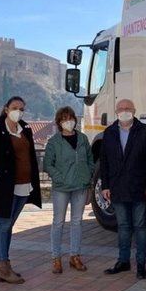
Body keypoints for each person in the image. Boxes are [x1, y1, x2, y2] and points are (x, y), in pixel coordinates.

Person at [0, 96, 42, 284]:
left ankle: (3, 265)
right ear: (6, 109)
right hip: (5, 188)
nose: (18, 111)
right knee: (3, 225)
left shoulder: (26, 131)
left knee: (8, 226)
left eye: (21, 108)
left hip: (24, 186)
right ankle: (3, 266)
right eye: (15, 108)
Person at [100, 99, 146, 279]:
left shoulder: (145, 131)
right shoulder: (109, 133)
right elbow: (104, 161)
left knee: (140, 227)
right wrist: (105, 185)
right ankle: (123, 261)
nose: (124, 111)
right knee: (123, 226)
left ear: (134, 110)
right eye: (121, 109)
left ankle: (141, 264)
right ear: (116, 112)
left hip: (139, 187)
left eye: (128, 109)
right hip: (117, 188)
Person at [44, 106, 95, 274]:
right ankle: (56, 258)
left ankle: (75, 256)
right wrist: (60, 178)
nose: (68, 121)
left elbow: (89, 160)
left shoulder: (83, 139)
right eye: (64, 119)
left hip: (80, 186)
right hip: (61, 188)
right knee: (58, 222)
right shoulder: (53, 142)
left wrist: (88, 178)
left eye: (70, 118)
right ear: (59, 122)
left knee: (77, 222)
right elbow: (47, 165)